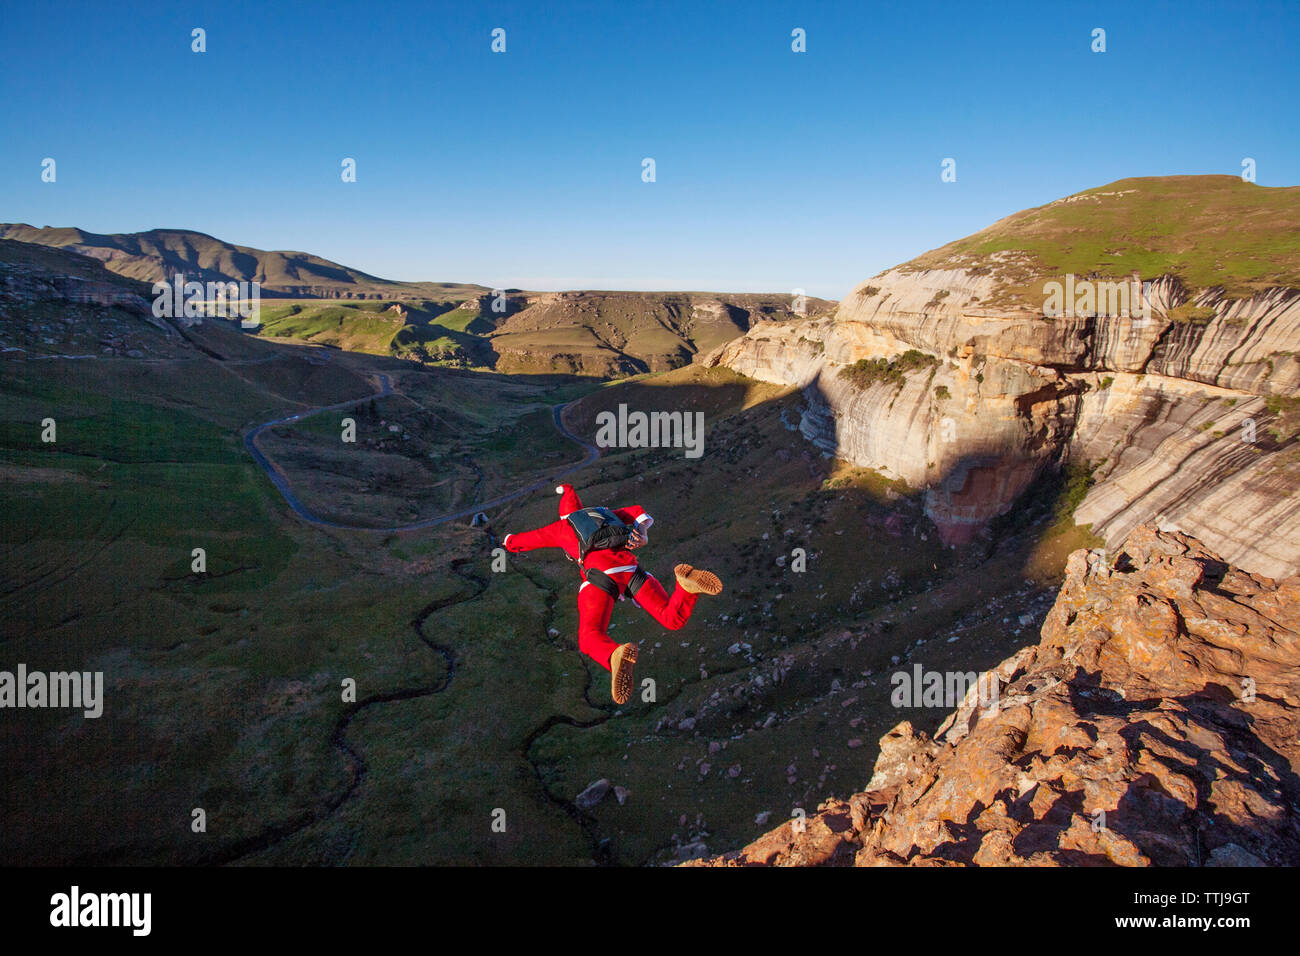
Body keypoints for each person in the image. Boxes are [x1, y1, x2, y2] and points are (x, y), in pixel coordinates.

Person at [503, 484, 723, 705]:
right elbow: (637, 510)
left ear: (564, 515)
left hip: (602, 575)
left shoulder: (561, 527)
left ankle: (613, 655)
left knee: (589, 636)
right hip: (631, 570)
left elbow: (524, 540)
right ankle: (685, 587)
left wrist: (508, 541)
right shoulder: (605, 512)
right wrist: (642, 533)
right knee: (672, 618)